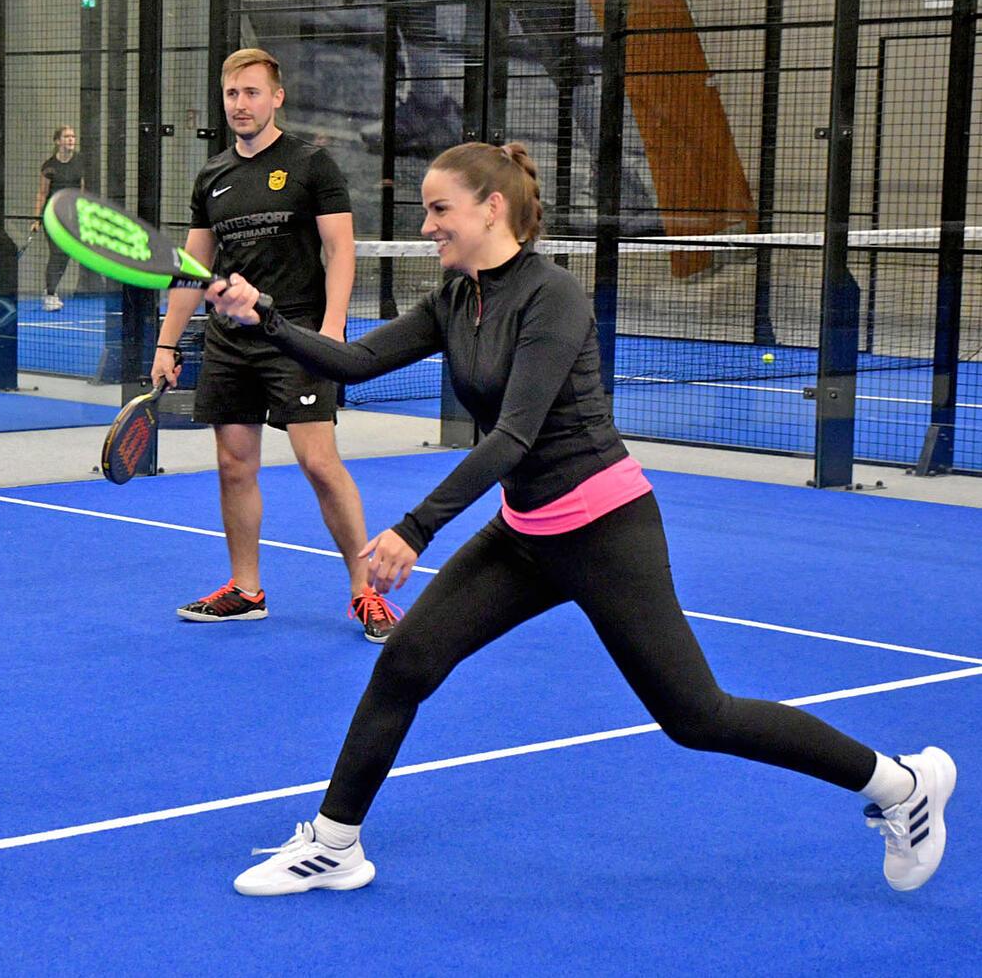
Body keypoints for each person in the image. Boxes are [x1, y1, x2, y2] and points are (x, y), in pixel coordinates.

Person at [205, 141, 957, 897]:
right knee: (405, 664)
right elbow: (356, 362)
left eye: (440, 210)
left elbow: (514, 436)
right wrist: (264, 316)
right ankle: (336, 844)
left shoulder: (551, 296)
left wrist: (415, 527)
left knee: (697, 716)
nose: (427, 226)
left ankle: (899, 786)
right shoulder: (455, 298)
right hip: (525, 534)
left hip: (605, 531)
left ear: (491, 209)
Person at [150, 48, 401, 642]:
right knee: (234, 464)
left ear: (276, 98)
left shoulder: (312, 164)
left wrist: (332, 329)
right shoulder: (212, 176)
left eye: (252, 93)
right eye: (233, 94)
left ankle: (365, 594)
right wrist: (167, 342)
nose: (241, 105)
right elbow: (193, 269)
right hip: (229, 341)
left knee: (318, 462)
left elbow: (341, 249)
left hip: (297, 337)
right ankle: (245, 589)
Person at [31, 125, 85, 312]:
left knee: (66, 254)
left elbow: (81, 191)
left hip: (71, 217)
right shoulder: (49, 166)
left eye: (73, 136)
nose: (71, 139)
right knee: (57, 253)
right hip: (52, 216)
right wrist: (37, 219)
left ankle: (50, 290)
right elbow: (42, 193)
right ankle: (50, 295)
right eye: (67, 136)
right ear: (58, 141)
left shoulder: (79, 162)